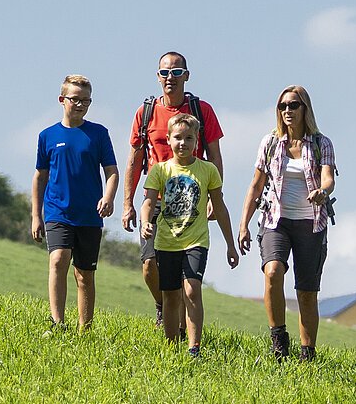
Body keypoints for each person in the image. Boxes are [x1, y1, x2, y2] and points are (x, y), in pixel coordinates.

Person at [120, 51, 224, 327]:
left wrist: (216, 197)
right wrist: (127, 202)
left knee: (185, 266)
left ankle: (179, 326)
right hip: (154, 197)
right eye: (165, 73)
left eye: (177, 73)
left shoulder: (202, 111)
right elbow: (134, 160)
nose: (170, 78)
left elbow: (214, 154)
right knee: (149, 264)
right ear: (158, 77)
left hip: (190, 199)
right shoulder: (146, 113)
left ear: (186, 77)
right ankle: (164, 304)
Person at [236, 85, 338, 361]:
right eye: (283, 106)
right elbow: (255, 185)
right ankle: (278, 340)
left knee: (306, 292)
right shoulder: (270, 143)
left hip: (310, 223)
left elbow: (328, 177)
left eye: (293, 105)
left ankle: (308, 353)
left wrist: (322, 191)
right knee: (272, 272)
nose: (287, 111)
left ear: (305, 108)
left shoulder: (321, 144)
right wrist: (243, 224)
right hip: (275, 220)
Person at [139, 113, 237, 358]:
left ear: (197, 142)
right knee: (170, 295)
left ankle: (194, 347)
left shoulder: (207, 170)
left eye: (189, 138)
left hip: (196, 240)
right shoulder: (160, 171)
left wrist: (230, 244)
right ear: (169, 140)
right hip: (166, 241)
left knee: (192, 289)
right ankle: (172, 347)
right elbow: (149, 202)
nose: (183, 143)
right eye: (178, 138)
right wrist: (144, 223)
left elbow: (220, 208)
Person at [29, 75, 116, 330]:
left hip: (89, 214)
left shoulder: (98, 134)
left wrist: (108, 197)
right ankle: (57, 323)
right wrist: (36, 215)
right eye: (75, 100)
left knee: (84, 274)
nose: (80, 105)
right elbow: (40, 176)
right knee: (58, 259)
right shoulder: (47, 136)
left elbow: (112, 171)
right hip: (57, 211)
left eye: (85, 101)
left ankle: (84, 329)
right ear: (62, 100)